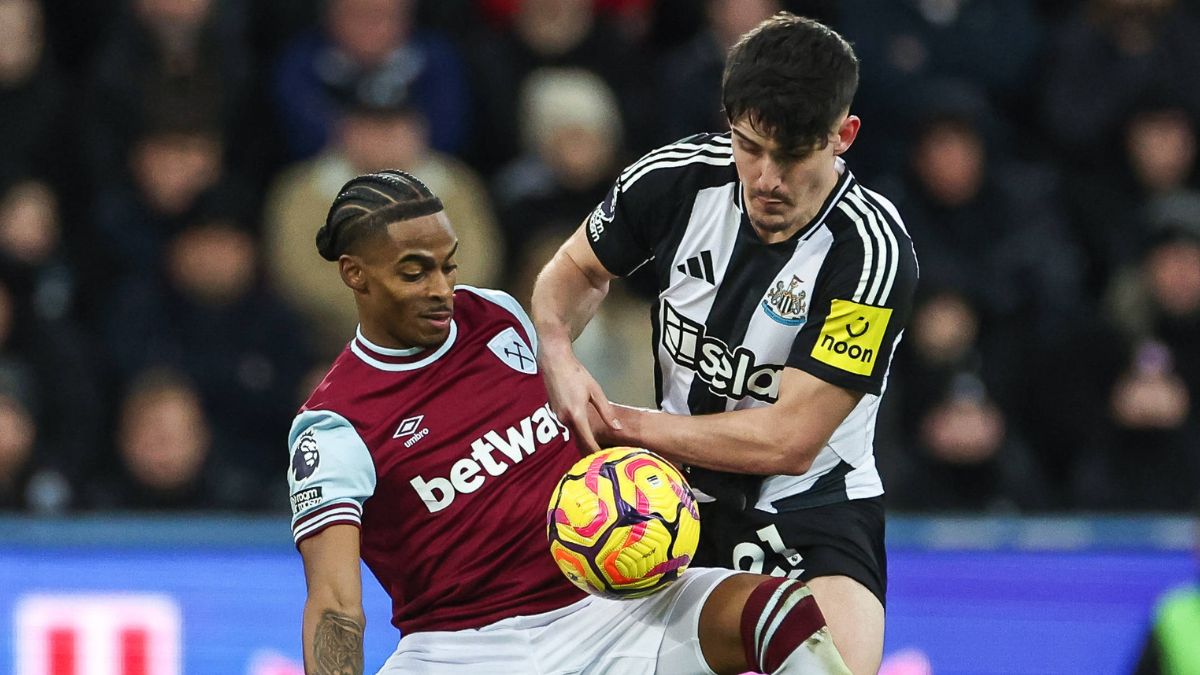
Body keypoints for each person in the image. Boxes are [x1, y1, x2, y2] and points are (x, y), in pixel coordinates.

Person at [288, 169, 850, 674]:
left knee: (775, 611)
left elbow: (575, 420)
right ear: (355, 275)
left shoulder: (497, 317)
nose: (441, 289)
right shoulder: (333, 425)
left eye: (448, 265)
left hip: (608, 608)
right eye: (414, 273)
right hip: (458, 648)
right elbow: (336, 604)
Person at [531, 13, 918, 674]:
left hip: (812, 510)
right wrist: (558, 353)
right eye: (749, 146)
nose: (766, 178)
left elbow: (789, 441)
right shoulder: (673, 180)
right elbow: (569, 276)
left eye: (792, 155)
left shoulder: (870, 253)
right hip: (661, 506)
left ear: (842, 136)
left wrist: (623, 424)